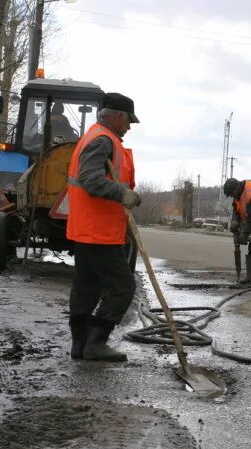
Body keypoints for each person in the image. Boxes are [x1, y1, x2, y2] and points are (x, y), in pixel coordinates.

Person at [66, 93, 142, 361]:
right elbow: (89, 179)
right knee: (123, 287)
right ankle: (95, 343)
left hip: (87, 229)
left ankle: (80, 345)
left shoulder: (96, 136)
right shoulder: (102, 140)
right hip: (99, 233)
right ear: (117, 116)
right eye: (128, 121)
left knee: (87, 286)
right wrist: (122, 194)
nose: (129, 127)